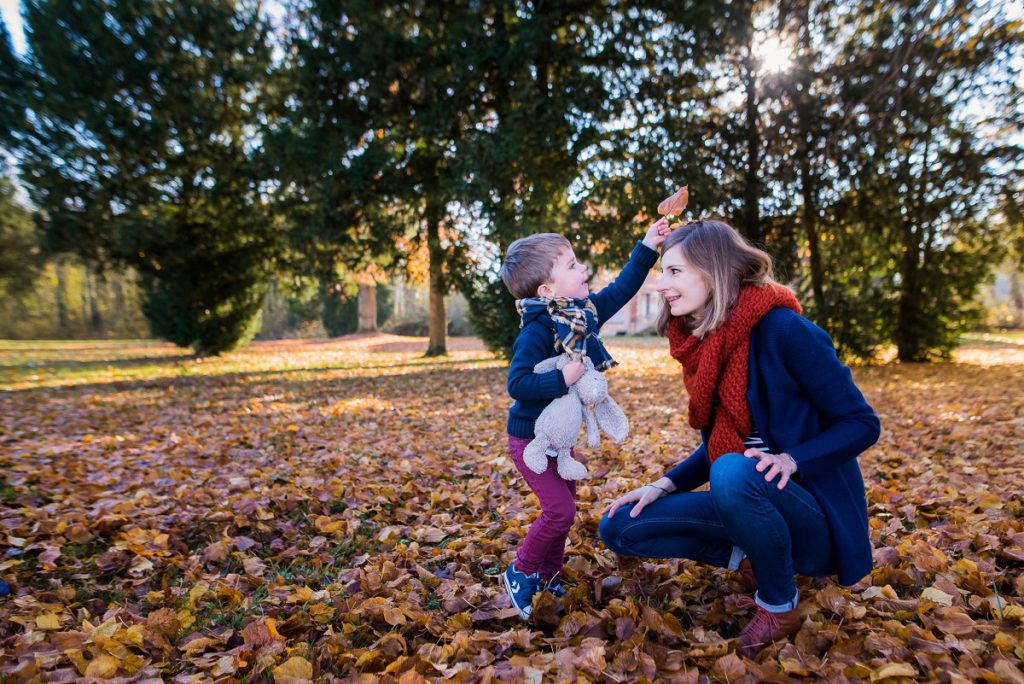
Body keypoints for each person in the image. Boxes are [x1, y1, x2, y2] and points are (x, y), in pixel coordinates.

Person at [598, 219, 880, 657]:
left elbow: (862, 423)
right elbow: (719, 441)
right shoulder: (707, 344)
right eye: (661, 272)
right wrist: (662, 485)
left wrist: (792, 460)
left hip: (813, 518)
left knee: (731, 471)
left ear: (714, 270)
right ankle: (756, 559)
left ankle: (780, 603)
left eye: (674, 272)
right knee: (621, 525)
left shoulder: (785, 330)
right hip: (750, 495)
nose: (661, 285)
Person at [498, 217, 671, 618]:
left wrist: (648, 244)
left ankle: (550, 576)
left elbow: (623, 288)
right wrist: (561, 378)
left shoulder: (583, 314)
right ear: (547, 289)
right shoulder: (537, 330)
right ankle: (521, 570)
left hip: (560, 438)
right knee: (560, 512)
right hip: (530, 440)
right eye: (573, 265)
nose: (584, 270)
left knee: (564, 511)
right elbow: (518, 383)